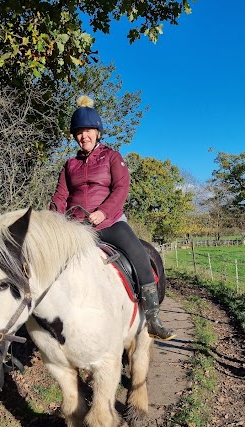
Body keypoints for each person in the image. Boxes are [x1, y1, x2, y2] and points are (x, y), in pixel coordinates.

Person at [50, 96, 176, 340]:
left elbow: (121, 188)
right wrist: (54, 223)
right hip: (77, 228)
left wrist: (103, 212)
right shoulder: (69, 165)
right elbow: (60, 196)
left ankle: (152, 318)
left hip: (110, 223)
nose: (83, 136)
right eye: (78, 132)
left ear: (97, 132)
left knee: (140, 256)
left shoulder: (112, 157)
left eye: (87, 131)